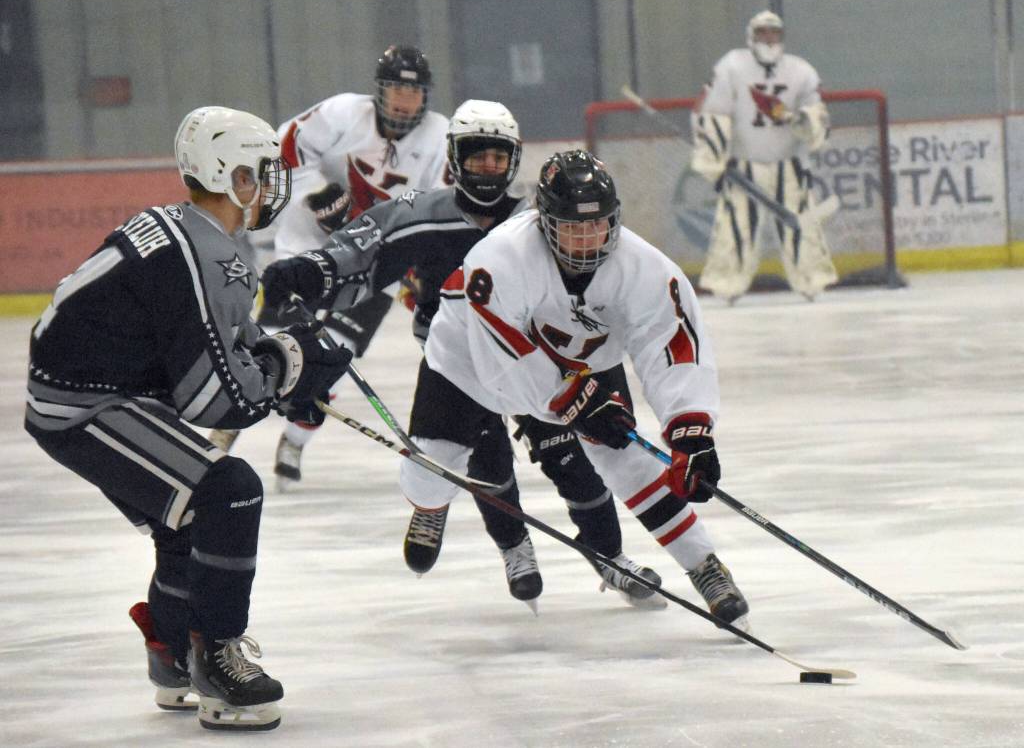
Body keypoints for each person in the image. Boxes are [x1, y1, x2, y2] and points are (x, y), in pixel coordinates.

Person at [266, 147, 750, 629]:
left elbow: (673, 344)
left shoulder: (645, 267)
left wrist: (690, 428)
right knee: (430, 471)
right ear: (545, 222)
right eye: (572, 228)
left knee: (627, 459)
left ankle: (704, 564)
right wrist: (571, 403)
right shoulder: (501, 257)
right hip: (466, 358)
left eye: (597, 225)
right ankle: (432, 504)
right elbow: (505, 357)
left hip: (581, 359)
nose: (586, 241)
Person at [24, 106, 352, 731]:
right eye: (262, 172)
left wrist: (283, 368)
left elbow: (229, 348)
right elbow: (214, 400)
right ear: (230, 177)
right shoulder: (204, 253)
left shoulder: (192, 230)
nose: (273, 185)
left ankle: (171, 653)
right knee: (228, 493)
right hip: (85, 404)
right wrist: (291, 372)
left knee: (183, 518)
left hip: (89, 389)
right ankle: (218, 658)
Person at [210, 44, 450, 486]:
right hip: (306, 248)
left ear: (426, 98)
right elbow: (283, 151)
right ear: (380, 90)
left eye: (413, 92)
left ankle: (294, 443)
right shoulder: (342, 114)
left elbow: (440, 211)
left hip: (375, 264)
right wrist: (314, 194)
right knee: (269, 343)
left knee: (332, 357)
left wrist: (420, 267)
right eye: (396, 88)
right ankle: (226, 427)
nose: (404, 100)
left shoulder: (440, 138)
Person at [692, 9, 836, 303]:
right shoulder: (732, 66)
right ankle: (728, 284)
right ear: (751, 37)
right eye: (762, 33)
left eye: (774, 33)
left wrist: (806, 121)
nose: (768, 39)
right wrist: (713, 156)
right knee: (736, 226)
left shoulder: (801, 70)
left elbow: (818, 111)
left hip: (790, 164)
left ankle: (811, 279)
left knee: (800, 226)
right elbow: (715, 111)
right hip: (743, 165)